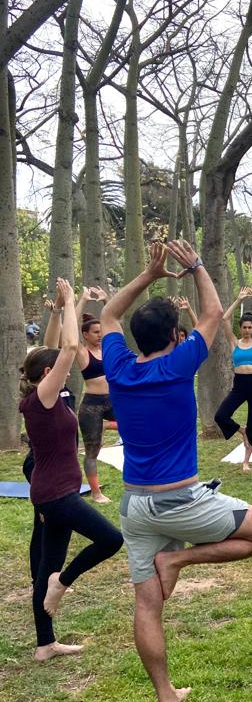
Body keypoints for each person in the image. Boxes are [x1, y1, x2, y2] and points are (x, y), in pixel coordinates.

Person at [101, 240, 252, 702]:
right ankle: (179, 561)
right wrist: (196, 264)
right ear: (176, 336)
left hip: (134, 506)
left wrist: (149, 275)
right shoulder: (178, 365)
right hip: (180, 501)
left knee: (146, 605)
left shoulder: (117, 367)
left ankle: (165, 698)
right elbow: (215, 312)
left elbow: (109, 316)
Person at [19, 278, 123, 663]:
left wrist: (65, 309)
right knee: (111, 540)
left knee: (46, 564)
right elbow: (69, 346)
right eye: (57, 368)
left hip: (56, 489)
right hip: (56, 494)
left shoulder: (46, 396)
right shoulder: (44, 398)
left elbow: (59, 347)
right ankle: (60, 585)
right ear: (48, 373)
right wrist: (69, 302)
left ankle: (45, 644)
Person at [215, 286, 252, 471]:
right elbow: (224, 318)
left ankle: (246, 461)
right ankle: (242, 432)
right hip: (239, 386)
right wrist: (239, 299)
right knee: (221, 415)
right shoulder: (234, 342)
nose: (247, 330)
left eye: (250, 327)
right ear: (240, 328)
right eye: (244, 327)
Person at [74, 286, 114, 504]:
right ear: (85, 335)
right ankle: (96, 492)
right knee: (92, 450)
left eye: (101, 332)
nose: (100, 336)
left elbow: (114, 325)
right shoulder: (82, 352)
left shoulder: (108, 347)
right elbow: (70, 328)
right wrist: (83, 299)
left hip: (114, 401)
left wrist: (106, 301)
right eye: (96, 333)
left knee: (140, 425)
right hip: (92, 405)